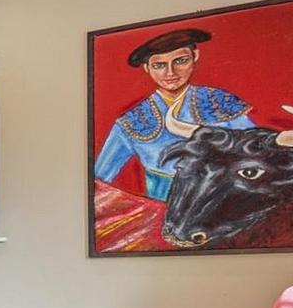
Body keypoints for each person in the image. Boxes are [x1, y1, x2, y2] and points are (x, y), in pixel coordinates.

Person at [93, 27, 254, 200]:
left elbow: (257, 153)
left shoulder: (220, 102)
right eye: (159, 65)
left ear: (195, 57)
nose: (170, 73)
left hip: (225, 205)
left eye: (180, 61)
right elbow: (97, 184)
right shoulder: (132, 120)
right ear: (147, 68)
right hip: (164, 209)